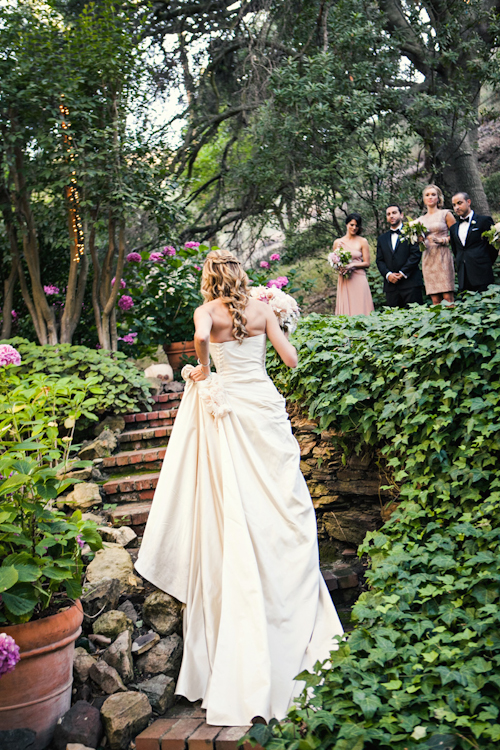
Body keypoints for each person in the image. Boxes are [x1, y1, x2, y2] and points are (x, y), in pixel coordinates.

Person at [135, 249, 343, 727]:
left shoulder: (206, 311)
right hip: (263, 406)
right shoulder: (262, 308)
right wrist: (281, 326)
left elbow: (200, 339)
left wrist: (203, 368)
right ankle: (287, 587)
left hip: (231, 407)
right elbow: (289, 360)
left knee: (239, 502)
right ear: (241, 274)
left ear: (211, 277)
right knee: (282, 502)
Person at [376, 204, 423, 307]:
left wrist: (402, 273)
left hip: (411, 283)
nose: (391, 216)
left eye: (394, 213)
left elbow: (415, 255)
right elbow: (379, 260)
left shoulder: (411, 232)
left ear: (401, 215)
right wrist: (388, 275)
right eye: (388, 214)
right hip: (391, 286)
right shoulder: (382, 239)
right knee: (394, 320)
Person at [416, 184, 456, 305]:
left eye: (433, 194)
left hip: (442, 255)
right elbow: (417, 240)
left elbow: (456, 235)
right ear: (424, 199)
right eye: (427, 195)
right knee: (435, 299)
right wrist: (419, 239)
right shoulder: (419, 220)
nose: (430, 197)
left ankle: (452, 322)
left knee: (448, 297)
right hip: (428, 257)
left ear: (438, 198)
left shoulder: (445, 214)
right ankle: (438, 323)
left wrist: (443, 240)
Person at [450, 192, 497, 293]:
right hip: (464, 275)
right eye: (454, 205)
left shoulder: (484, 221)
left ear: (468, 202)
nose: (457, 207)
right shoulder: (454, 228)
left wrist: (485, 263)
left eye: (459, 203)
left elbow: (493, 247)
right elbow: (455, 249)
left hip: (482, 273)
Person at [333, 213, 374, 316]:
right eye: (352, 225)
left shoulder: (362, 241)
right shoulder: (338, 242)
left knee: (361, 305)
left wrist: (352, 265)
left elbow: (367, 263)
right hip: (345, 279)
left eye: (356, 225)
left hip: (359, 277)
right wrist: (340, 268)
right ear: (347, 224)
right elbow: (335, 261)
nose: (354, 228)